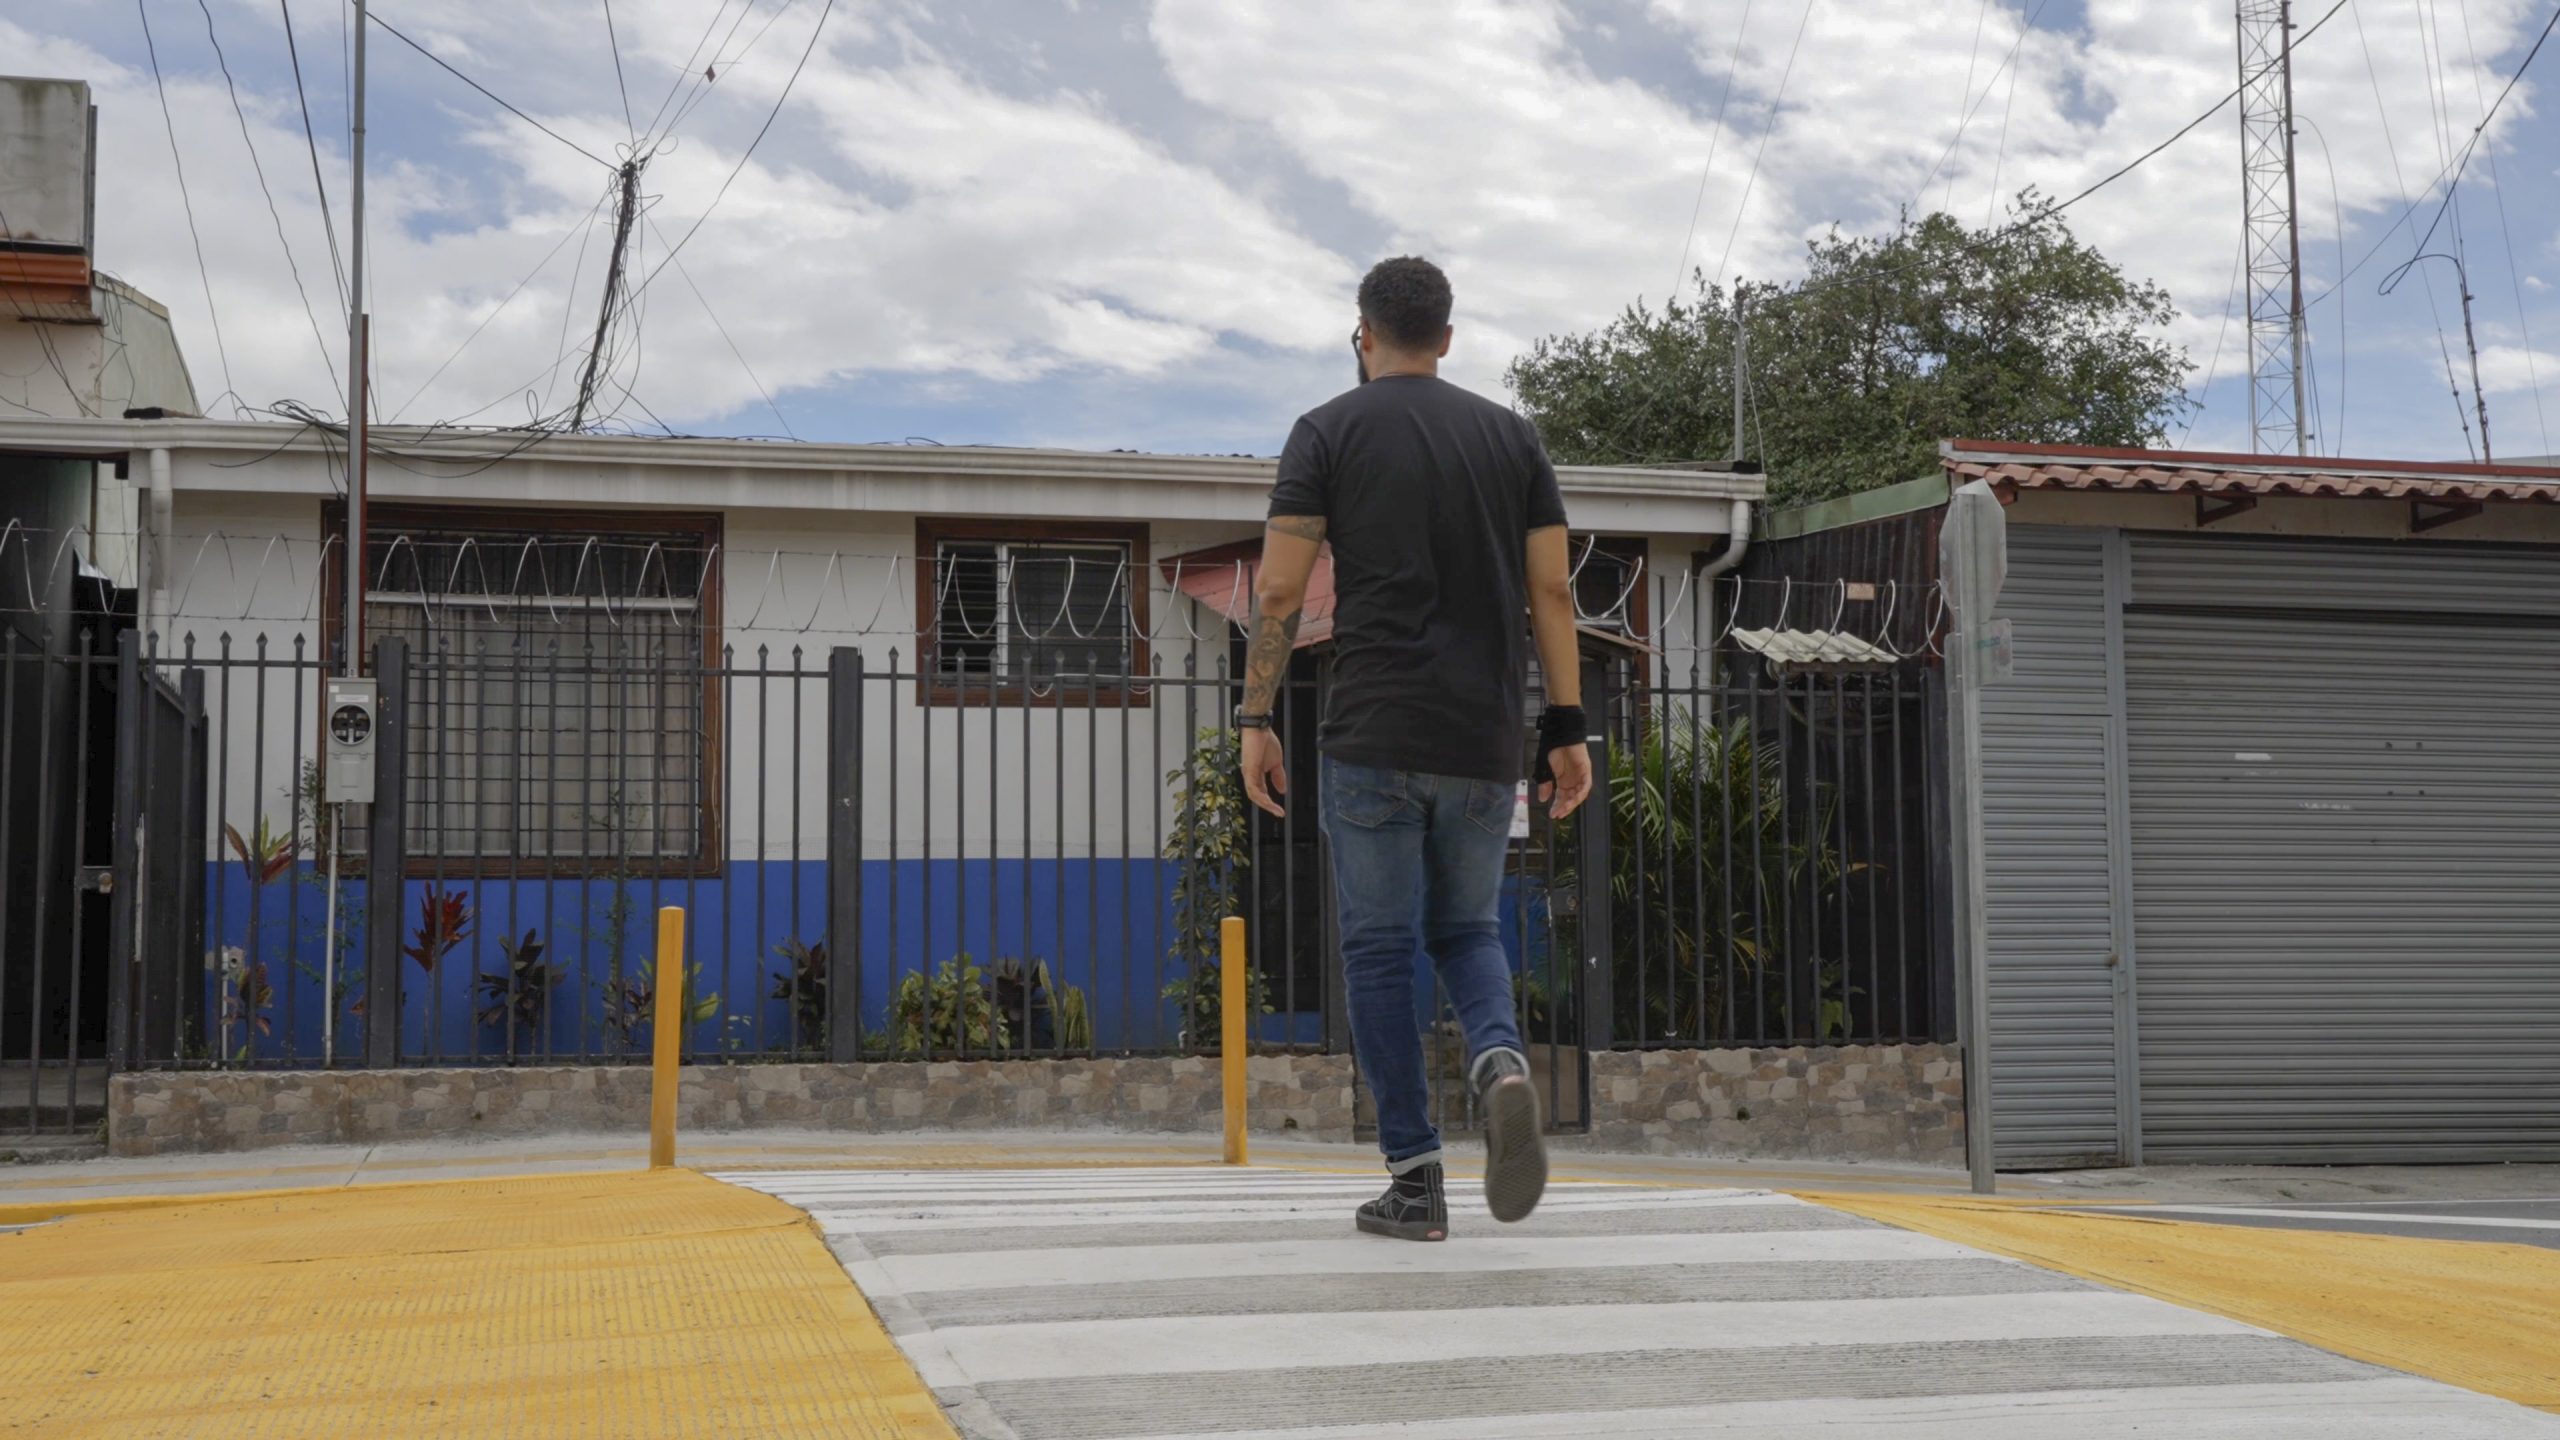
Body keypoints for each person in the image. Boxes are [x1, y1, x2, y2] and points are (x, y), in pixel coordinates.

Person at [1237, 255, 1594, 1240]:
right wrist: (1564, 728)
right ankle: (1500, 1062)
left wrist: (1254, 718)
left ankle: (1414, 1181)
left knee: (1380, 949)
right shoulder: (1511, 439)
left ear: (1364, 335)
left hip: (1371, 737)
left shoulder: (1326, 432)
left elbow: (1276, 592)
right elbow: (1553, 594)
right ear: (1446, 337)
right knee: (1468, 931)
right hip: (1485, 740)